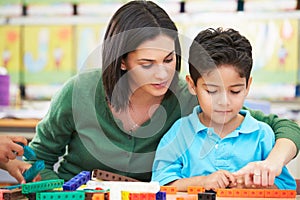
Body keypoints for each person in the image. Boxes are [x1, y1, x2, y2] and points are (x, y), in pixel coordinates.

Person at [4, 1, 300, 185]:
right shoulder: (79, 92)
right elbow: (39, 157)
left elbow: (280, 126)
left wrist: (272, 164)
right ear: (122, 61)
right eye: (147, 64)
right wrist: (58, 190)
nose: (162, 74)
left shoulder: (188, 94)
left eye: (169, 60)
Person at [151, 28, 297, 191]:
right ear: (192, 85)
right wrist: (202, 182)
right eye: (212, 91)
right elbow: (160, 184)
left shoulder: (262, 136)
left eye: (235, 91)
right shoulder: (179, 133)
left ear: (248, 86)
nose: (224, 102)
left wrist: (257, 186)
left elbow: (286, 188)